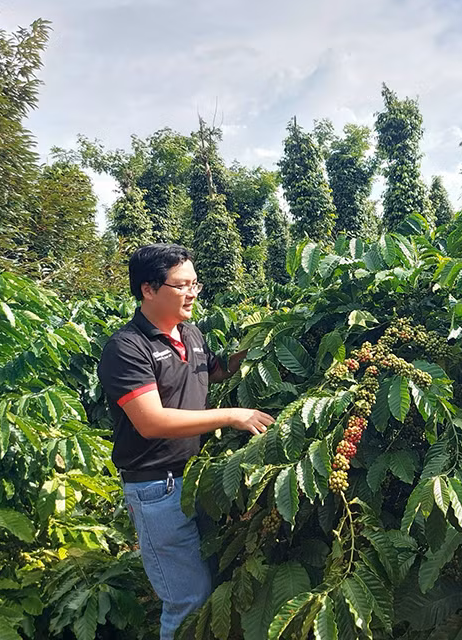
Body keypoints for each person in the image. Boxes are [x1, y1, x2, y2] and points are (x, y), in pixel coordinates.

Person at [98, 244, 275, 640]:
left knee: (206, 582)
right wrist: (232, 415)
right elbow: (151, 421)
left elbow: (216, 372)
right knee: (188, 599)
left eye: (195, 284)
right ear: (148, 289)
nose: (193, 292)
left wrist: (266, 340)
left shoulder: (191, 333)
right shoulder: (126, 348)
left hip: (196, 478)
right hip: (156, 488)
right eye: (182, 285)